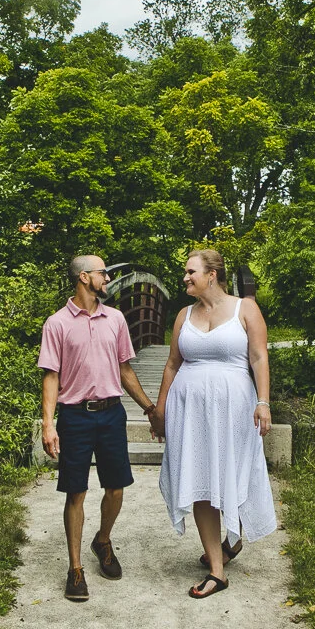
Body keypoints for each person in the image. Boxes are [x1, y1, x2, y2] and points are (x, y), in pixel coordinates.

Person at [150, 248, 277, 598]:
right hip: (189, 410)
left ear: (212, 274)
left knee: (231, 473)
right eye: (185, 272)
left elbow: (259, 356)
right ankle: (217, 571)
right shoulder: (183, 315)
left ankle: (229, 541)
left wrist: (263, 402)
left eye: (191, 272)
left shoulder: (245, 308)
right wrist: (160, 411)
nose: (185, 278)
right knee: (199, 480)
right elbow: (173, 364)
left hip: (235, 407)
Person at [39, 254, 157, 602]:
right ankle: (75, 568)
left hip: (111, 414)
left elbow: (125, 370)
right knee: (76, 492)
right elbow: (51, 376)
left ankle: (102, 540)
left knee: (116, 488)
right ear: (84, 278)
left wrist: (149, 408)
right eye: (103, 273)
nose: (107, 278)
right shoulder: (57, 324)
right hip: (75, 416)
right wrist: (49, 424)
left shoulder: (116, 319)